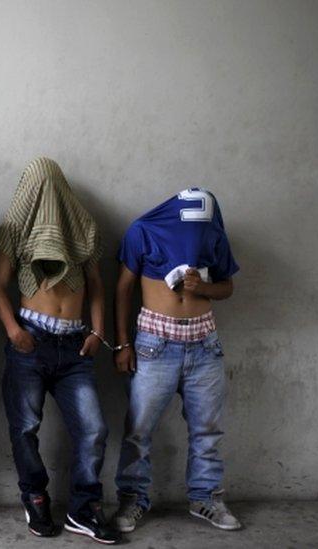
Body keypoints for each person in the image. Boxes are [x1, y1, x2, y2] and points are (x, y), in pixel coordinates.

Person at [0, 157, 120, 544]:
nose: (46, 191)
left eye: (53, 182)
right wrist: (14, 330)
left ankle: (84, 509)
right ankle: (34, 497)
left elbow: (97, 285)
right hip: (30, 341)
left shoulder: (83, 230)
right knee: (26, 427)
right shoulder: (14, 231)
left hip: (75, 346)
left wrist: (98, 331)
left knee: (94, 429)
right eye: (37, 184)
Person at [111, 188, 242, 532]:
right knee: (138, 430)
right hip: (155, 343)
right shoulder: (142, 231)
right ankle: (132, 499)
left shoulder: (214, 234)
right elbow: (123, 287)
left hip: (204, 343)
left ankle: (206, 499)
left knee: (207, 430)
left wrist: (203, 288)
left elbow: (227, 286)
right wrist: (122, 344)